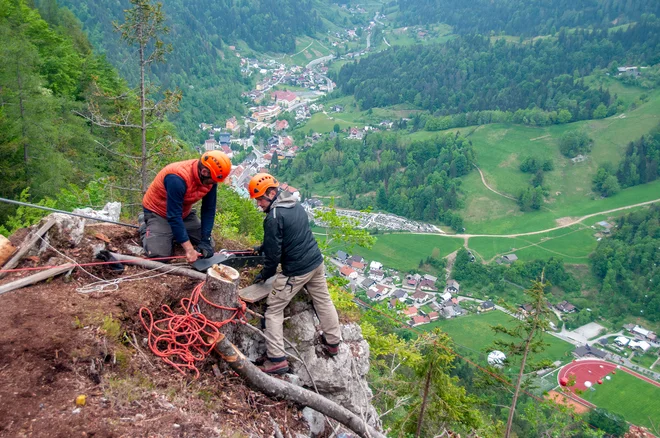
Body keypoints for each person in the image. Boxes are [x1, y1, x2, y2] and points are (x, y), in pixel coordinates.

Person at [249, 172, 342, 374]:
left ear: (271, 193)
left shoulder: (273, 217)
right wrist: (263, 247)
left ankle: (276, 359)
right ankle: (333, 343)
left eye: (260, 200)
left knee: (273, 309)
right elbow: (287, 236)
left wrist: (265, 275)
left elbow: (274, 257)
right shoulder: (294, 204)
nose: (259, 205)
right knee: (323, 300)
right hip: (315, 263)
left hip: (296, 271)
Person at [140, 151, 231, 263]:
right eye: (214, 180)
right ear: (204, 172)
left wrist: (205, 240)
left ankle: (173, 232)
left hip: (183, 213)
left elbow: (209, 209)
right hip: (158, 213)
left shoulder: (211, 178)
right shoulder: (176, 178)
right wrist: (189, 249)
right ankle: (146, 226)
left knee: (210, 246)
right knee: (159, 255)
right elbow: (173, 216)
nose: (215, 183)